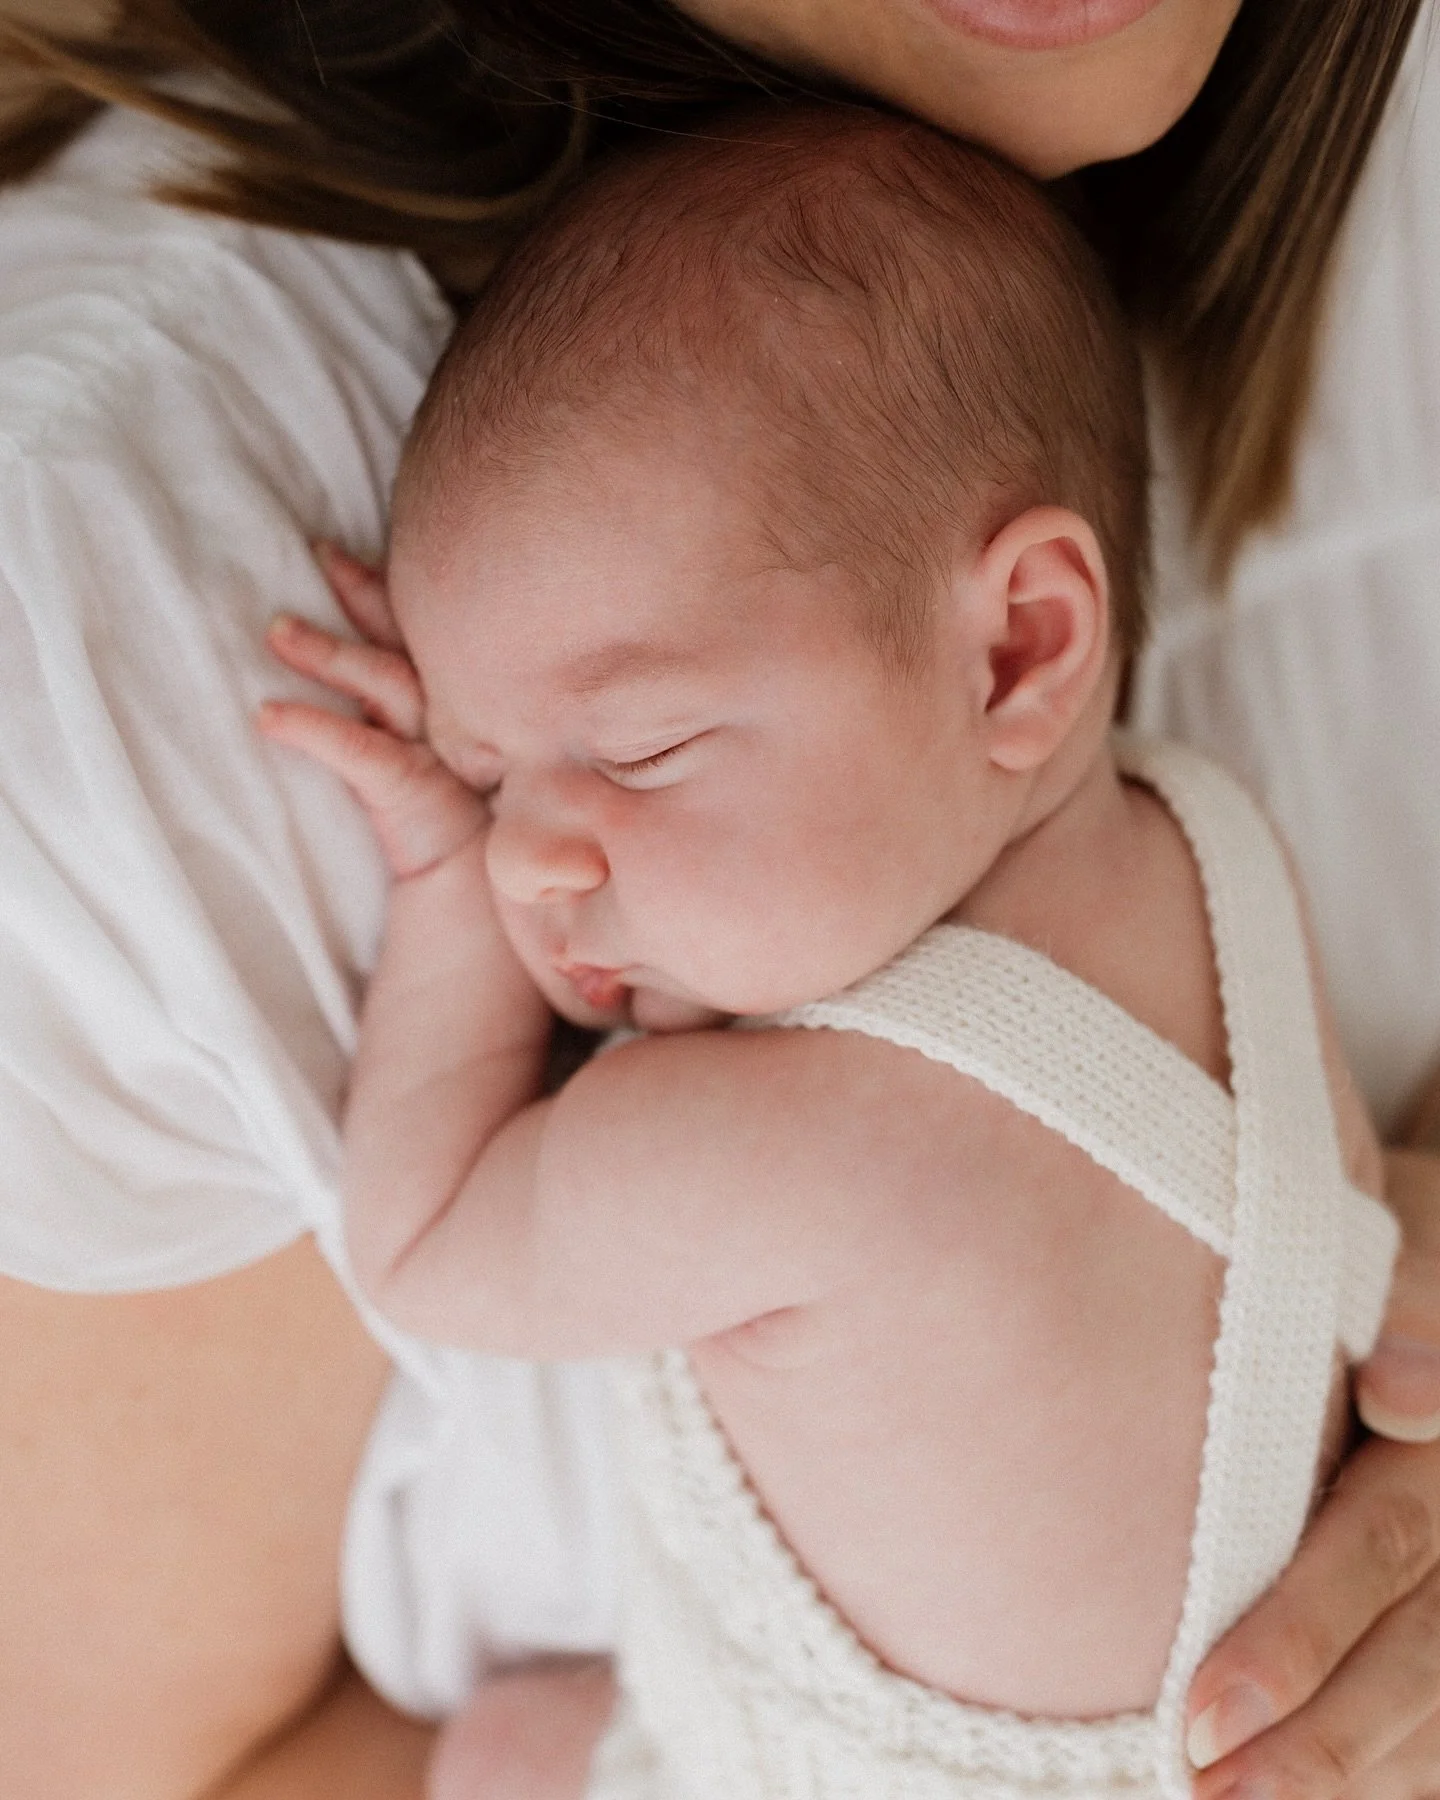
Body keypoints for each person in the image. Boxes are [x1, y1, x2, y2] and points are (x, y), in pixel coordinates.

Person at [1, 1, 1439, 1795]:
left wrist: (446, 888)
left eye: (647, 749)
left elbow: (429, 1237)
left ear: (1016, 651)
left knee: (536, 1750)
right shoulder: (1210, 854)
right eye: (490, 775)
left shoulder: (806, 1157)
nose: (539, 850)